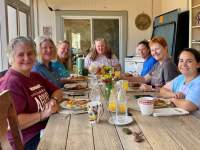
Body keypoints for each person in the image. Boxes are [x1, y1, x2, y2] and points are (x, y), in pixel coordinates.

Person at [0, 36, 62, 149]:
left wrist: (53, 100)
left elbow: (57, 91)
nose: (26, 58)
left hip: (48, 125)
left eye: (30, 53)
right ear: (11, 58)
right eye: (20, 55)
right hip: (28, 140)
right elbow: (11, 122)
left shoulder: (34, 75)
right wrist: (44, 113)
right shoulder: (12, 82)